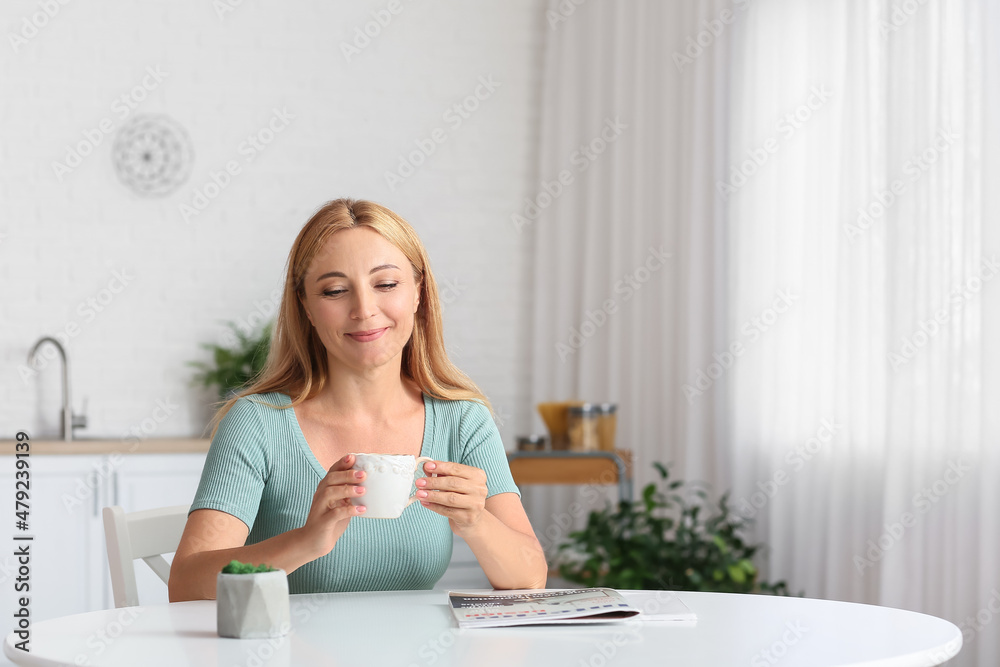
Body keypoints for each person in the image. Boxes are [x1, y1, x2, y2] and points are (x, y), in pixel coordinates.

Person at [169, 199, 546, 601]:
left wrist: (476, 522)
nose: (364, 310)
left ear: (418, 293)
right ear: (306, 308)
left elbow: (530, 579)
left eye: (386, 284)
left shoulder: (463, 419)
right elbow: (187, 586)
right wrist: (307, 542)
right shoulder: (257, 423)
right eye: (334, 290)